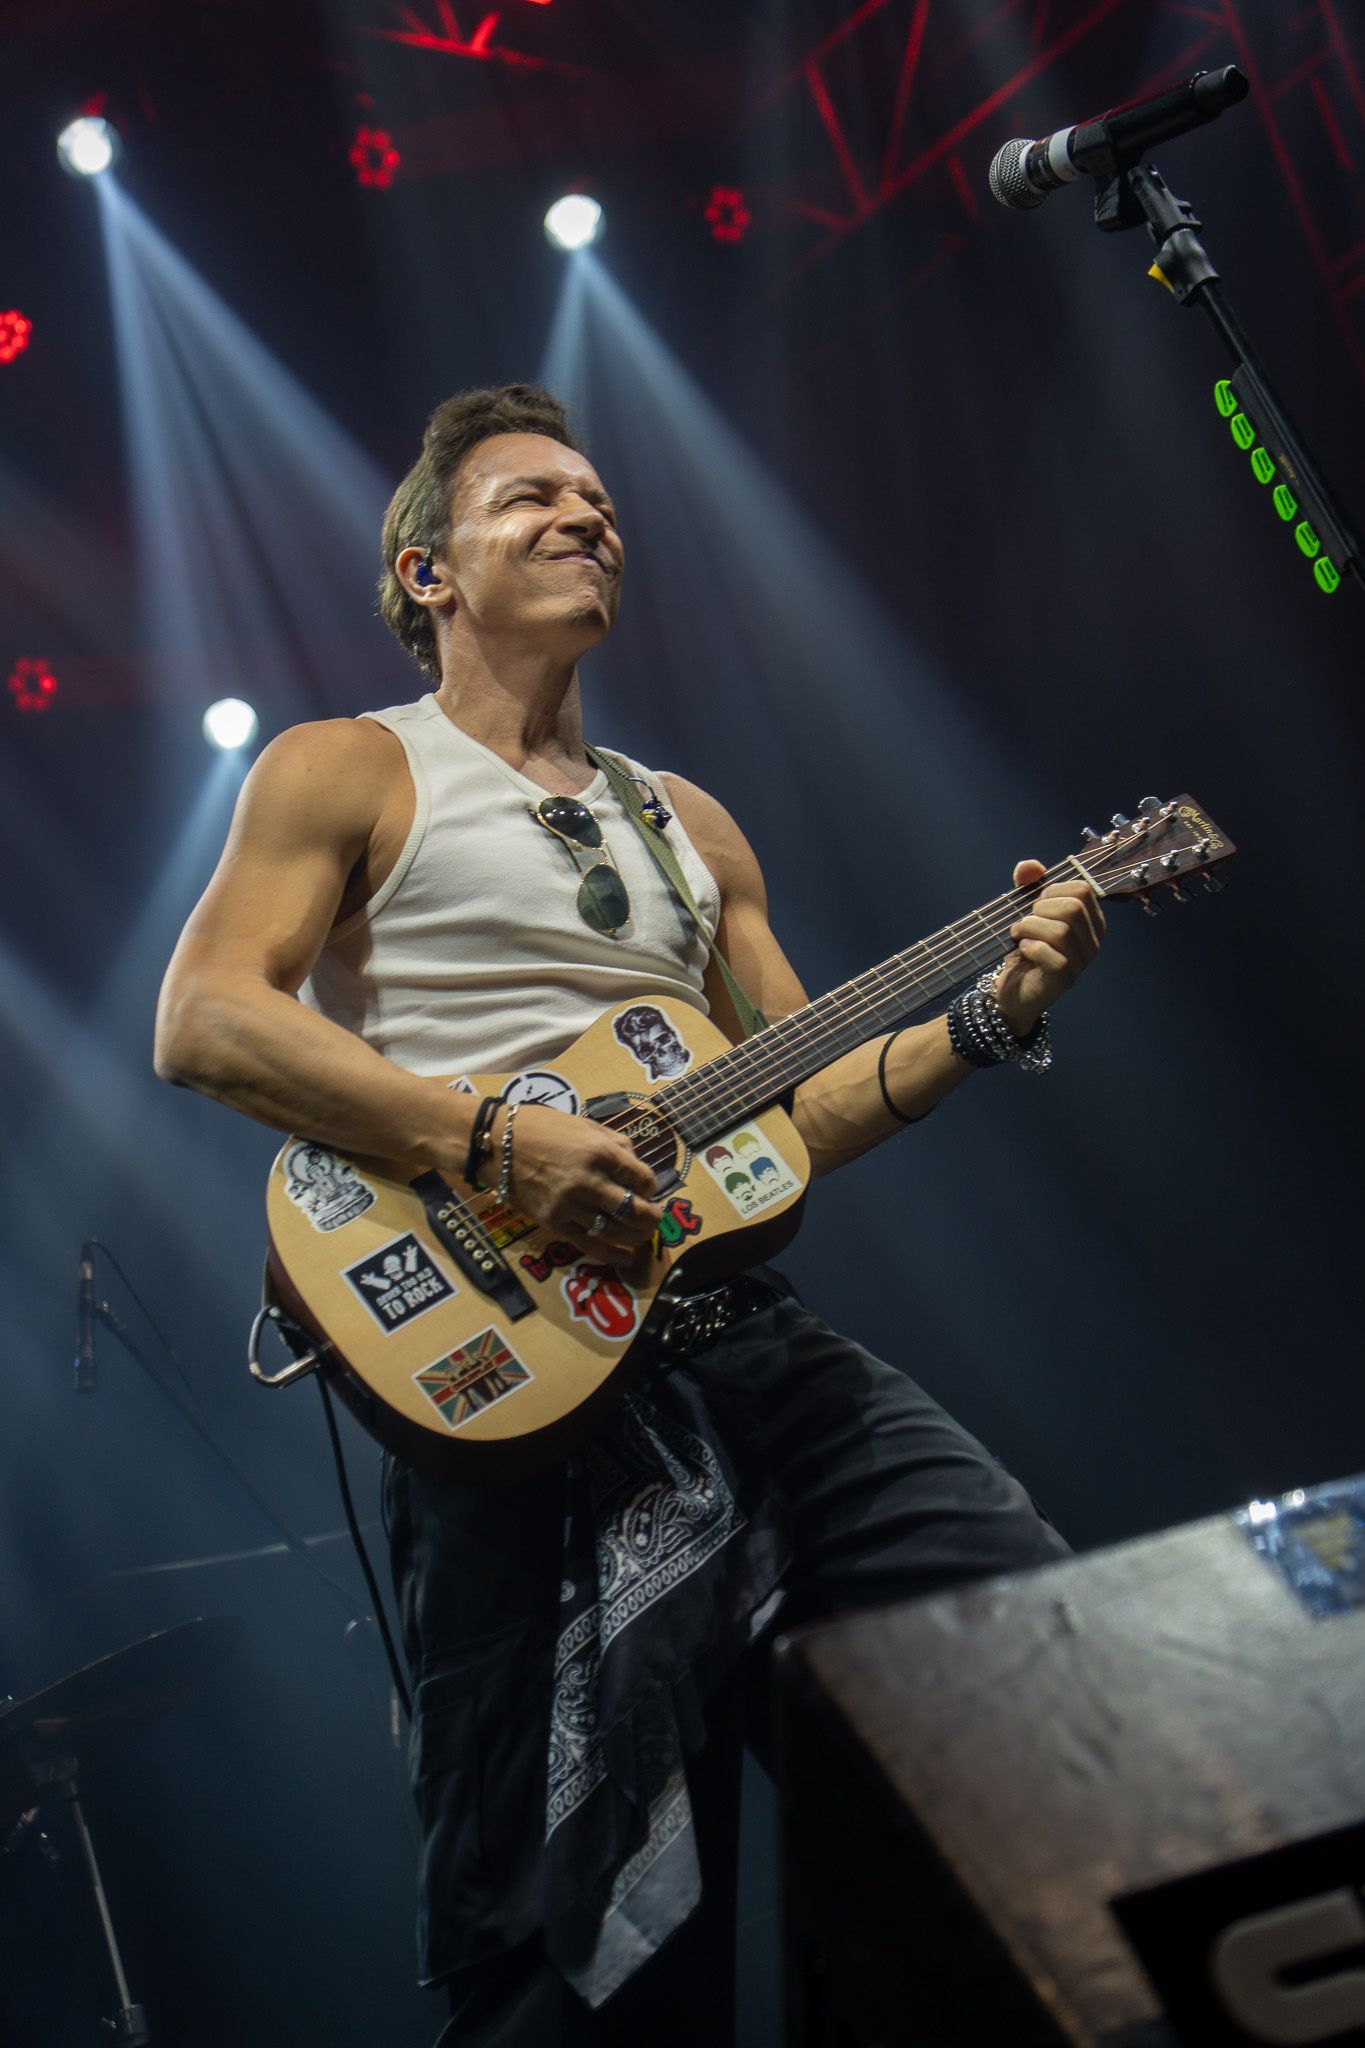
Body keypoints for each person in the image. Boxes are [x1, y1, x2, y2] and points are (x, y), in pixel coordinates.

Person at [155, 383, 1104, 2046]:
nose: (586, 516)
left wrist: (984, 1017)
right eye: (531, 498)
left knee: (1017, 1663)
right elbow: (212, 1020)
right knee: (576, 1964)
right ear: (424, 568)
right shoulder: (348, 769)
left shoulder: (687, 826)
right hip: (501, 1368)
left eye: (599, 499)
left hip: (735, 1339)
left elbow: (796, 1104)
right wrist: (488, 1142)